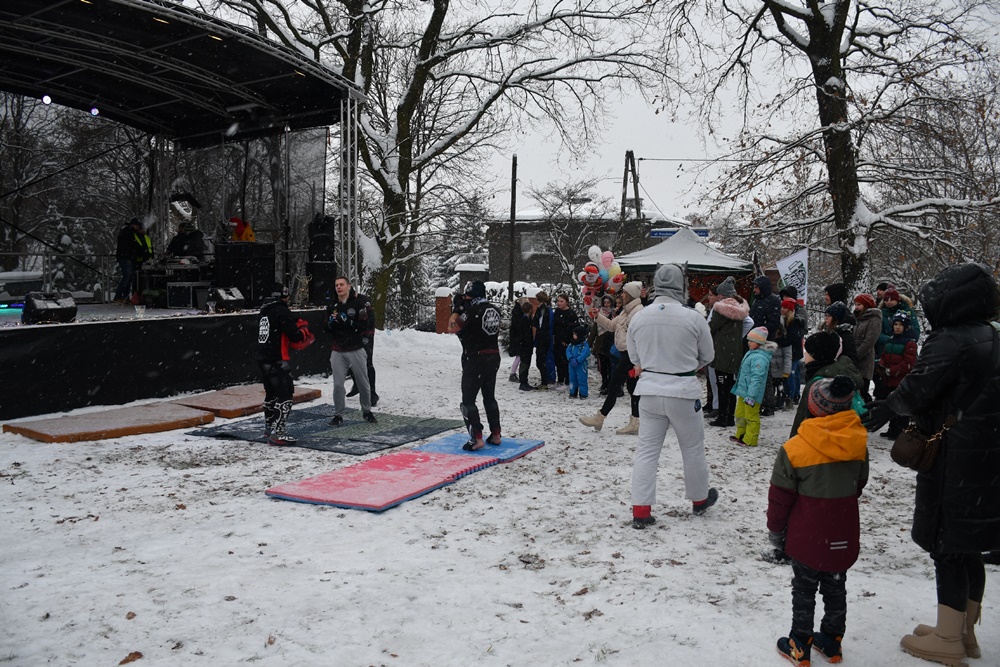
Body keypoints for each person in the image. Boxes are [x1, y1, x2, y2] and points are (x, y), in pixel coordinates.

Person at [861, 263, 1000, 666]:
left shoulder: (950, 340)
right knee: (968, 544)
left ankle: (948, 637)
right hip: (984, 454)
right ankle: (964, 631)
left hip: (952, 455)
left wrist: (886, 408)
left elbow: (917, 389)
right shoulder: (990, 335)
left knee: (946, 544)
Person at [769, 376, 869, 666]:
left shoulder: (795, 448)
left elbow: (780, 497)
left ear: (813, 407)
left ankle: (799, 643)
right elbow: (859, 483)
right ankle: (832, 641)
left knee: (804, 589)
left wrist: (776, 530)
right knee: (836, 586)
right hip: (843, 531)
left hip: (807, 534)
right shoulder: (858, 442)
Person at [626, 263, 718, 529]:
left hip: (650, 390)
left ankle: (641, 508)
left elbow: (635, 358)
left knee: (646, 451)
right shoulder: (693, 318)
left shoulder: (639, 317)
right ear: (682, 285)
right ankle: (699, 499)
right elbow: (708, 355)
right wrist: (686, 364)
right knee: (692, 449)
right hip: (683, 390)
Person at [580, 281, 645, 434]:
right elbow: (611, 325)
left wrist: (638, 361)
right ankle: (635, 421)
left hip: (631, 356)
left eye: (624, 293)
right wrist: (597, 316)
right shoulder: (625, 311)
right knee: (631, 388)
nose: (621, 295)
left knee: (615, 385)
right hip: (625, 354)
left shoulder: (637, 312)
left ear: (630, 295)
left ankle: (600, 418)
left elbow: (639, 337)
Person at [256, 282, 312, 446]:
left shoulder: (264, 311)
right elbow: (294, 336)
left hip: (263, 358)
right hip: (276, 359)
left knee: (271, 394)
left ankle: (269, 428)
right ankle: (279, 432)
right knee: (285, 394)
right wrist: (303, 330)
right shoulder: (281, 311)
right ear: (284, 296)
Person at [450, 281, 503, 450]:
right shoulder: (494, 309)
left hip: (476, 358)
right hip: (493, 356)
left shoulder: (472, 311)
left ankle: (476, 438)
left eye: (466, 296)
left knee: (468, 400)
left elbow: (452, 328)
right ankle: (496, 434)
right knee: (489, 397)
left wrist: (456, 311)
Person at [789, 330, 864, 437]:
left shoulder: (817, 383)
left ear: (817, 355)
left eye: (808, 351)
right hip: (839, 439)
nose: (805, 354)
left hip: (814, 440)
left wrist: (794, 439)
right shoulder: (842, 372)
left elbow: (802, 416)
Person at [326, 276, 376, 425]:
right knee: (338, 384)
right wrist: (330, 323)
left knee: (362, 382)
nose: (339, 287)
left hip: (355, 348)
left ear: (348, 286)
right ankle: (338, 414)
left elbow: (365, 326)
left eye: (341, 284)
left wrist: (347, 321)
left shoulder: (359, 302)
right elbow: (325, 328)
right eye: (336, 285)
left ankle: (367, 411)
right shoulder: (332, 304)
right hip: (337, 349)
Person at [707, 277, 749, 428]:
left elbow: (710, 327)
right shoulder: (739, 308)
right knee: (731, 385)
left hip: (722, 352)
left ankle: (723, 417)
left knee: (722, 384)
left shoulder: (721, 309)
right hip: (734, 351)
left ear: (723, 295)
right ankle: (730, 415)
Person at [872, 311, 918, 439]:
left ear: (905, 327)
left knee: (901, 407)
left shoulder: (909, 343)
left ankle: (900, 430)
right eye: (895, 324)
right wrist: (881, 365)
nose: (897, 327)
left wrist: (892, 370)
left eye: (900, 325)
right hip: (888, 380)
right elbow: (884, 355)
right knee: (891, 405)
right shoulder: (890, 340)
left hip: (900, 380)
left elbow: (908, 363)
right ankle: (892, 429)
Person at [731, 326, 775, 447]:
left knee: (751, 416)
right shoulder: (752, 353)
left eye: (751, 340)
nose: (748, 342)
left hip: (752, 394)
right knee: (740, 413)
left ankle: (750, 438)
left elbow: (757, 378)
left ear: (759, 342)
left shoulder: (760, 358)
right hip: (744, 391)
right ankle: (741, 433)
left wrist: (751, 395)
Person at [750, 275, 782, 414]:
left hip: (765, 341)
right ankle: (760, 402)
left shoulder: (772, 301)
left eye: (756, 287)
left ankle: (768, 405)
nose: (754, 290)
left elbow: (773, 323)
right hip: (755, 339)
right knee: (757, 373)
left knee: (764, 373)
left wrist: (760, 334)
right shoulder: (757, 301)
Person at [851, 293, 882, 403]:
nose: (857, 307)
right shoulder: (857, 318)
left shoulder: (874, 319)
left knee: (862, 390)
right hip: (853, 359)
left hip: (865, 360)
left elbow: (869, 341)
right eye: (855, 304)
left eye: (859, 304)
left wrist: (856, 355)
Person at [876, 286, 921, 357]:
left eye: (891, 299)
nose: (889, 302)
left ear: (898, 300)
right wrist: (890, 340)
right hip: (886, 352)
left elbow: (915, 333)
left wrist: (899, 339)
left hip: (905, 351)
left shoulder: (908, 312)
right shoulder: (881, 314)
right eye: (886, 300)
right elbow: (877, 333)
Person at [781, 297, 807, 407]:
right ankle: (794, 395)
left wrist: (780, 341)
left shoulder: (794, 322)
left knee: (789, 374)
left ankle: (790, 397)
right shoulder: (787, 320)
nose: (781, 309)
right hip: (793, 351)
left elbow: (792, 338)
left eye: (784, 307)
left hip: (793, 352)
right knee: (793, 373)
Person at [552, 293, 579, 388]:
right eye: (558, 301)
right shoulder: (557, 312)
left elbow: (574, 328)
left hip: (566, 341)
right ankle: (560, 379)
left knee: (566, 360)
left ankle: (568, 380)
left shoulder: (571, 313)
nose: (559, 303)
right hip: (557, 339)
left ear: (566, 302)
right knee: (558, 360)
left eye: (561, 301)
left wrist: (568, 340)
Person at [823, 301, 860, 369]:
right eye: (826, 315)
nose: (826, 318)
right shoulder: (832, 332)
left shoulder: (845, 335)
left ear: (836, 318)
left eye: (829, 316)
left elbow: (851, 359)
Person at [532, 291, 554, 389]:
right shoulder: (548, 310)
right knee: (543, 359)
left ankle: (544, 382)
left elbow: (537, 324)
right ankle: (546, 380)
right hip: (546, 337)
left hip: (542, 338)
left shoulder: (542, 310)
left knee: (540, 361)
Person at [508, 299, 532, 383]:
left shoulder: (516, 312)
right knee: (519, 356)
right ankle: (512, 373)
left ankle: (513, 373)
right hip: (519, 338)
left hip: (517, 338)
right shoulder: (519, 315)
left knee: (519, 356)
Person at [566, 324, 591, 399]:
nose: (573, 336)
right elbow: (568, 351)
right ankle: (573, 392)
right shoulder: (572, 344)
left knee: (582, 379)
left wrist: (578, 360)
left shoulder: (584, 345)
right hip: (572, 364)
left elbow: (585, 353)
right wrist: (570, 358)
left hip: (581, 364)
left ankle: (583, 393)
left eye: (575, 334)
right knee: (572, 379)